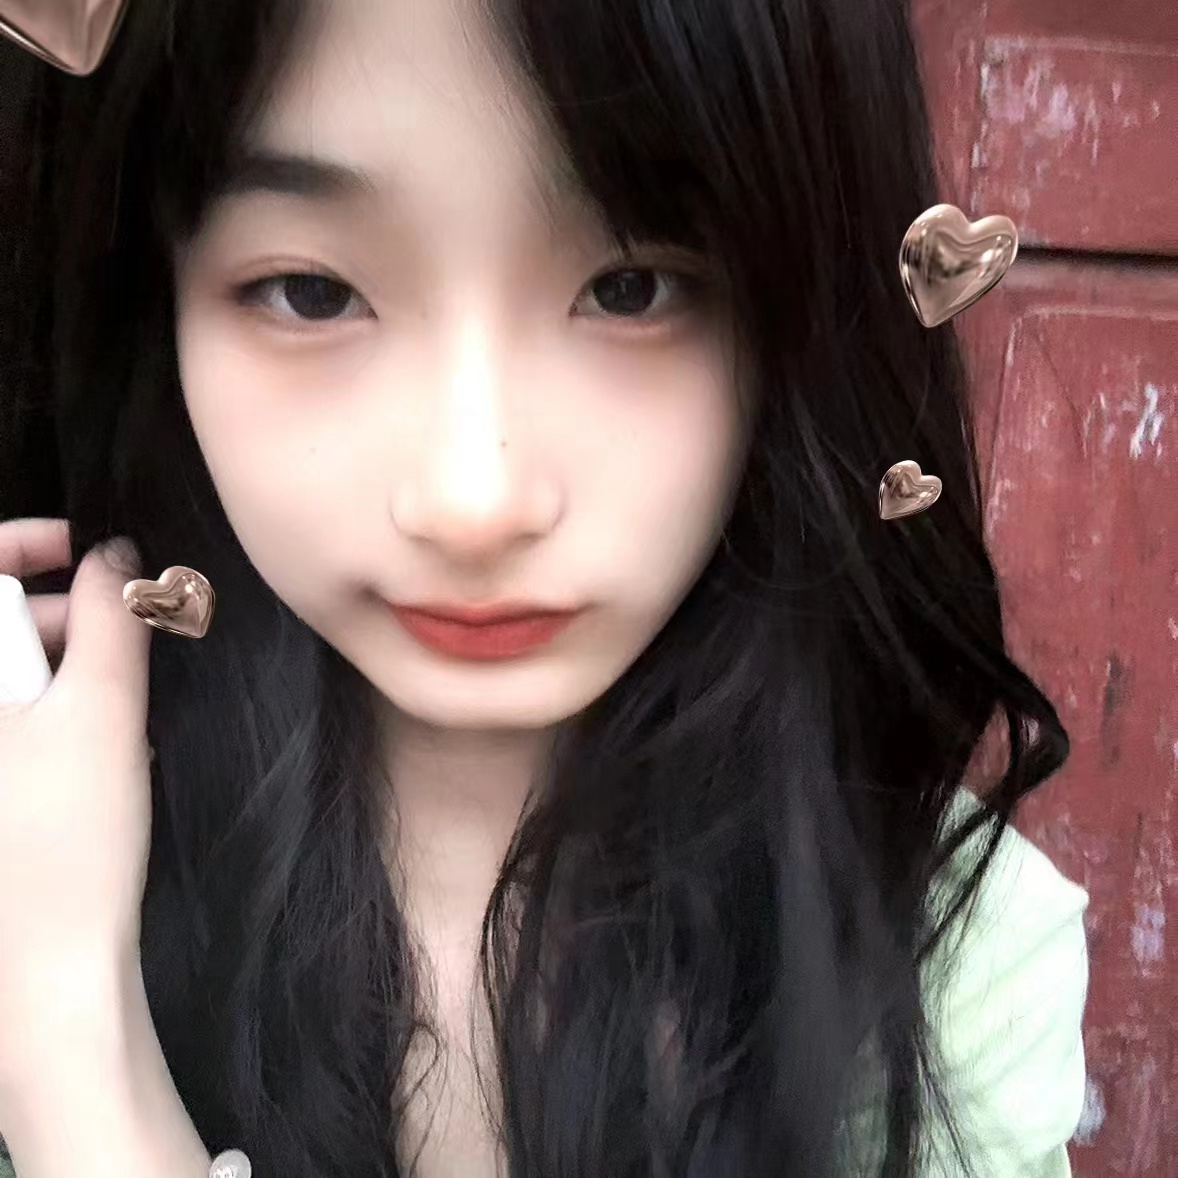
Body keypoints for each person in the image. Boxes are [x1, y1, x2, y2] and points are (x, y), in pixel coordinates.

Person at [0, 0, 1090, 1175]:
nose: (474, 501)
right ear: (151, 303)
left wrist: (71, 1056)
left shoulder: (948, 966)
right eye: (310, 292)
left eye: (631, 289)